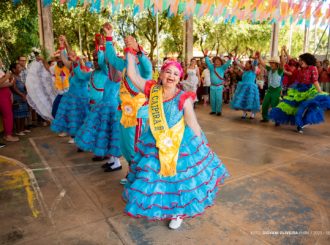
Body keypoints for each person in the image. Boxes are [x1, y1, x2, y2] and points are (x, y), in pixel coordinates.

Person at [123, 48, 229, 230]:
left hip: (179, 141)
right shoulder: (152, 90)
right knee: (157, 177)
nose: (171, 76)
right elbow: (132, 74)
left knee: (179, 179)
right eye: (168, 72)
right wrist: (130, 52)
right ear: (161, 74)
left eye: (175, 73)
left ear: (180, 78)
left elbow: (193, 123)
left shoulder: (183, 97)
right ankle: (164, 205)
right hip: (155, 140)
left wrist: (201, 144)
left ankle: (178, 211)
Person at [103, 23, 152, 176]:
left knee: (134, 146)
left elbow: (147, 67)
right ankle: (132, 171)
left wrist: (138, 51)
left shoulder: (143, 69)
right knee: (124, 146)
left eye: (131, 49)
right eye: (126, 48)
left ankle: (138, 174)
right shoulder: (124, 65)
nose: (127, 51)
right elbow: (110, 57)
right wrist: (109, 37)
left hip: (138, 115)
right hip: (125, 113)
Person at [74, 35, 122, 164]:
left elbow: (105, 62)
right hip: (97, 106)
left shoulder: (109, 72)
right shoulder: (93, 73)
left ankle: (111, 158)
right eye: (94, 59)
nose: (96, 62)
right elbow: (80, 74)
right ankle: (106, 156)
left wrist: (104, 46)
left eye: (97, 59)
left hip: (108, 108)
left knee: (108, 133)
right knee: (100, 132)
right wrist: (75, 62)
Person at [269, 53, 330, 133]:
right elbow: (291, 59)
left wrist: (320, 92)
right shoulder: (300, 67)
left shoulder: (313, 68)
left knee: (303, 108)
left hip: (308, 90)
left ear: (307, 60)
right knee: (286, 104)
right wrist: (284, 52)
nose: (300, 62)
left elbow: (315, 81)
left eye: (302, 60)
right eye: (300, 60)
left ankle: (300, 125)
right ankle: (279, 119)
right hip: (298, 89)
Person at [51, 35, 90, 143]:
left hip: (82, 98)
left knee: (81, 117)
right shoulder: (71, 67)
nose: (71, 59)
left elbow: (71, 56)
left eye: (74, 58)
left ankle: (82, 137)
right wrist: (62, 45)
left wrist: (66, 44)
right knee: (73, 117)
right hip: (72, 97)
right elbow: (65, 57)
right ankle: (74, 136)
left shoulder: (84, 71)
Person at [257, 50, 285, 123]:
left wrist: (282, 53)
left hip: (276, 90)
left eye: (272, 62)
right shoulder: (269, 69)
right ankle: (265, 118)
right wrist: (259, 56)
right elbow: (262, 63)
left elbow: (282, 63)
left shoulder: (279, 70)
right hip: (269, 90)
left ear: (276, 64)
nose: (270, 64)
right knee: (265, 104)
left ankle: (277, 120)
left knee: (275, 105)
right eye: (270, 62)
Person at [203, 50, 232, 116]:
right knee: (212, 99)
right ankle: (213, 110)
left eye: (218, 61)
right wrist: (206, 56)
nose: (216, 62)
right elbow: (207, 62)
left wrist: (230, 58)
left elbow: (227, 64)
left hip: (219, 86)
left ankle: (218, 111)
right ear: (214, 61)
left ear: (220, 62)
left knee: (219, 99)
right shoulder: (211, 67)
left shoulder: (222, 68)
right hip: (212, 86)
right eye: (215, 61)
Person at [0, 60, 19, 142]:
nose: (1, 61)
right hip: (1, 94)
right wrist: (7, 77)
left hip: (5, 92)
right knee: (8, 115)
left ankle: (7, 134)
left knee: (8, 115)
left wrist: (10, 83)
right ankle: (8, 135)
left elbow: (3, 84)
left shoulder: (0, 70)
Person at [10, 62, 29, 136]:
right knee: (18, 114)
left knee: (23, 113)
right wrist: (21, 95)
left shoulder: (18, 76)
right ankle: (18, 130)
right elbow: (13, 88)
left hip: (22, 96)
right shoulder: (13, 76)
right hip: (17, 97)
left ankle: (22, 129)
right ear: (14, 70)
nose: (20, 69)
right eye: (18, 67)